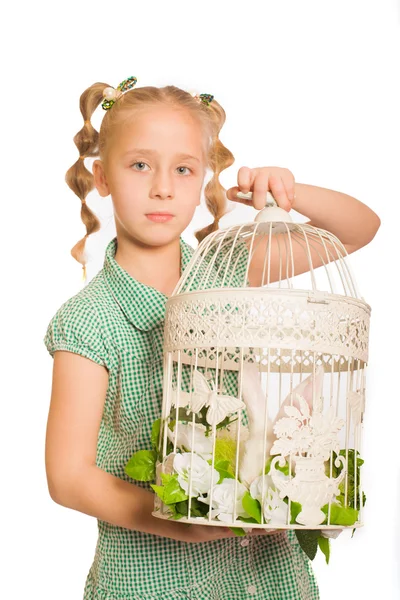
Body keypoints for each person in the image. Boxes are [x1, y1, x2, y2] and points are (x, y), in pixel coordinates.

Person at [43, 76, 380, 600]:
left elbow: (359, 228)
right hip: (153, 580)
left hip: (263, 576)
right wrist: (184, 524)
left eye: (183, 169)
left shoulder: (226, 272)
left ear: (203, 179)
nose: (163, 187)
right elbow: (68, 477)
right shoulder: (90, 320)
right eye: (139, 165)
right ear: (101, 176)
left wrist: (288, 191)